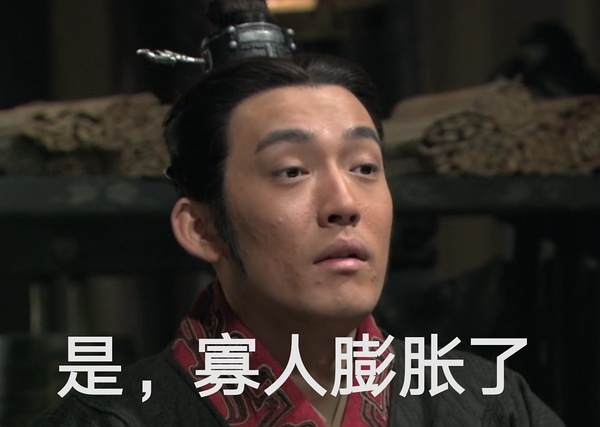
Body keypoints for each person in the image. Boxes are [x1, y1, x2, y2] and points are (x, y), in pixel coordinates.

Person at [29, 53, 564, 426]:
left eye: (364, 167)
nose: (344, 203)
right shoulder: (113, 419)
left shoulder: (485, 403)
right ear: (202, 228)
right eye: (291, 171)